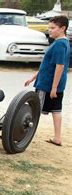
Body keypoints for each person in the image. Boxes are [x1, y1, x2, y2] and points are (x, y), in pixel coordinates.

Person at [25, 16, 70, 146]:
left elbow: (59, 66)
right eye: (49, 27)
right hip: (53, 83)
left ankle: (27, 132)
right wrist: (34, 77)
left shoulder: (60, 45)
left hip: (47, 85)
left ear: (63, 28)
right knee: (56, 110)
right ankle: (57, 138)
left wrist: (54, 87)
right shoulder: (63, 42)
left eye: (53, 28)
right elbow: (48, 64)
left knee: (36, 108)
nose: (49, 30)